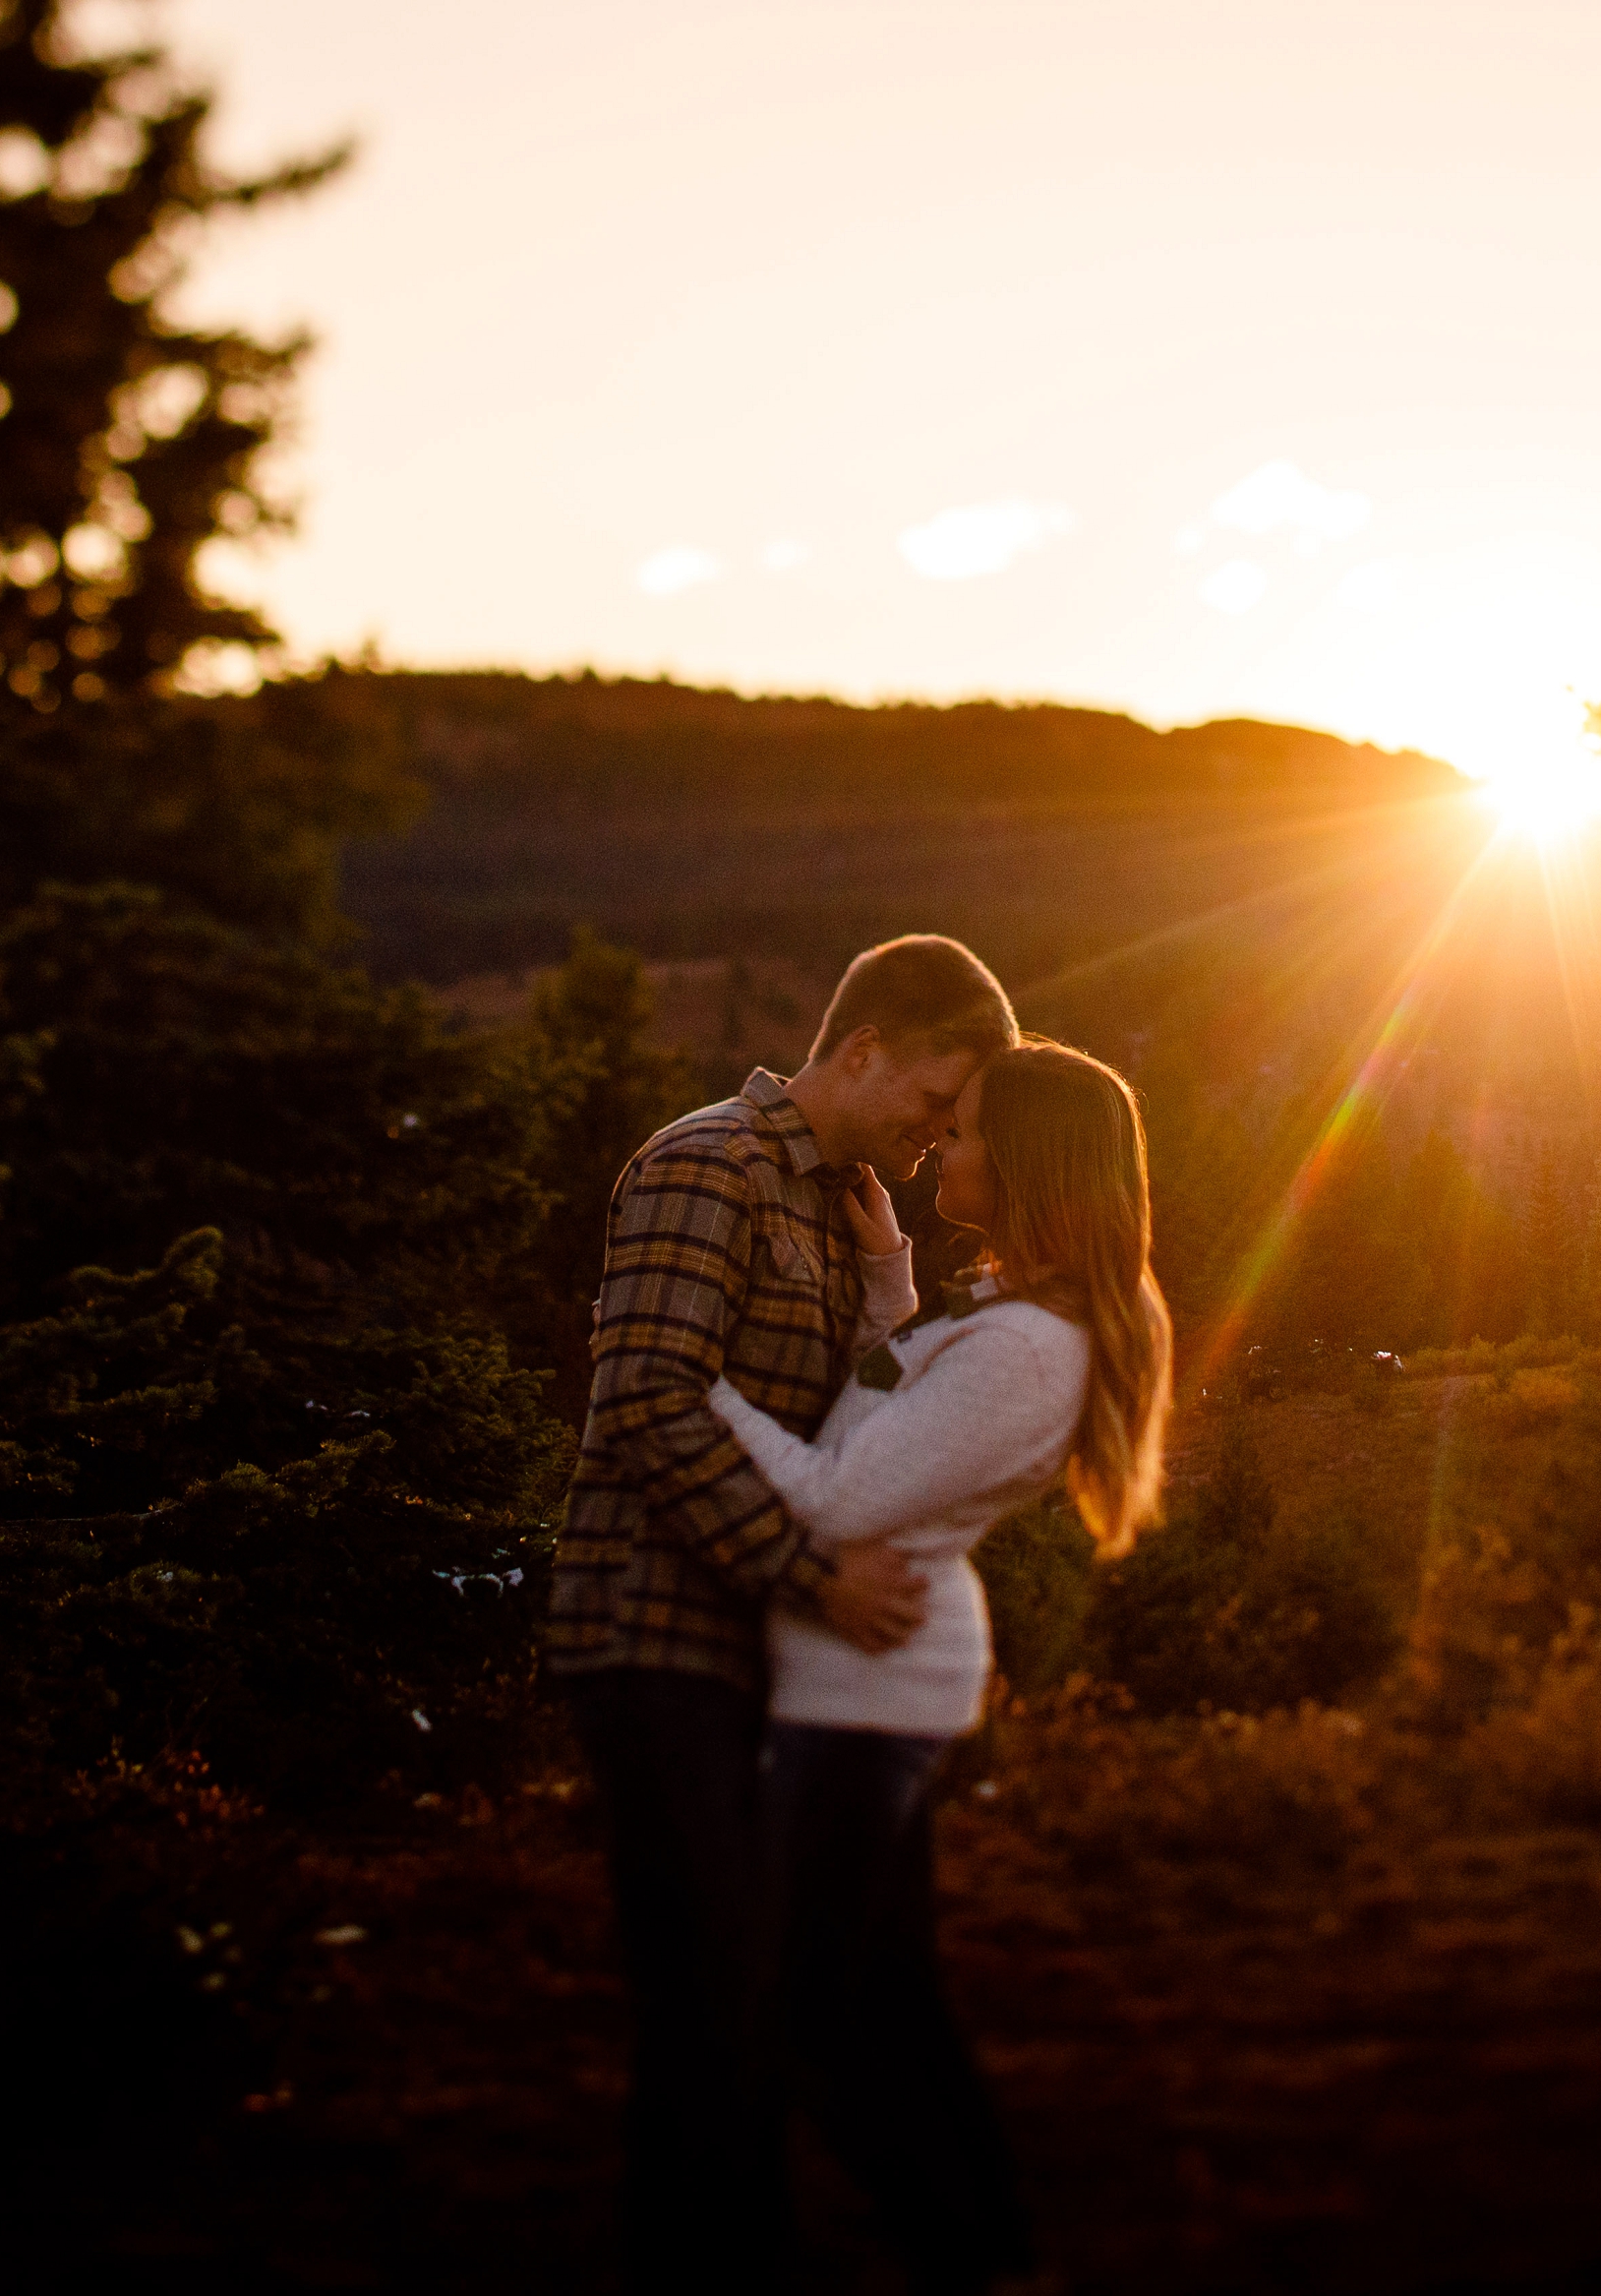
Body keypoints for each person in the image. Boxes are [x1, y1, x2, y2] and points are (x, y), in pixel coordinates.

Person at [547, 933, 1021, 2288]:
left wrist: (890, 1294)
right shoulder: (712, 1166)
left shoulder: (838, 1197)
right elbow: (645, 1398)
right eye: (936, 1099)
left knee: (755, 1991)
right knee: (714, 1999)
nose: (941, 1135)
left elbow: (835, 1424)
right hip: (655, 1633)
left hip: (746, 1642)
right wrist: (813, 1576)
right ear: (862, 1049)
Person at [709, 1039, 1175, 2296]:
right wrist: (884, 1274)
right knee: (895, 2007)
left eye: (961, 1132)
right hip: (865, 1681)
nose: (937, 1149)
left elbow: (837, 1493)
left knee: (805, 2022)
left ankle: (963, 2259)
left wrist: (682, 1376)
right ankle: (1003, 2256)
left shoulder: (1028, 1347)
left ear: (1021, 1160)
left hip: (863, 1696)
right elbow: (904, 1411)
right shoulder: (1010, 1319)